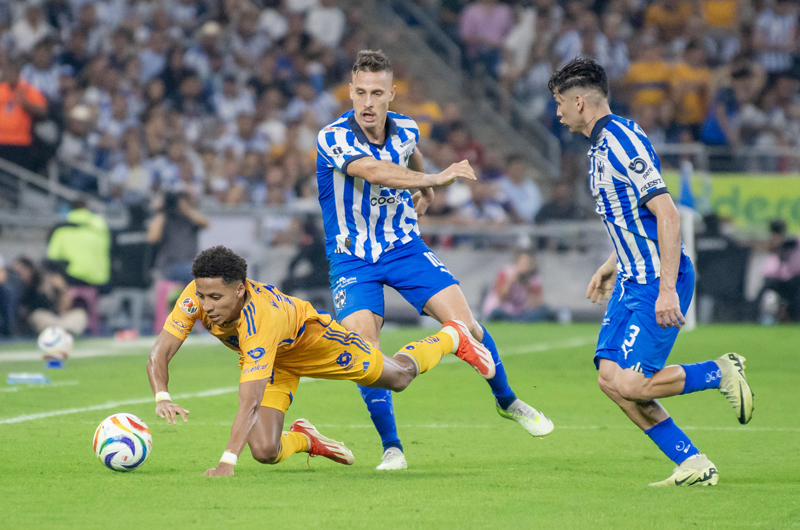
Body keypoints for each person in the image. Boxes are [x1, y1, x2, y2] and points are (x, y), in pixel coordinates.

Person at [316, 50, 553, 471]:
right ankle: (393, 448)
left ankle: (508, 401)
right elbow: (373, 171)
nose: (368, 103)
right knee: (364, 354)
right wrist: (434, 180)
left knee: (469, 327)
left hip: (404, 246)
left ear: (392, 94)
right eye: (361, 93)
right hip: (352, 258)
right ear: (350, 93)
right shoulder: (333, 136)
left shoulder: (406, 127)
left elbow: (409, 154)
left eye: (377, 93)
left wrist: (423, 190)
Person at [548, 57, 754, 487]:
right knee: (610, 379)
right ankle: (692, 462)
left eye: (560, 103)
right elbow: (630, 218)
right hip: (629, 277)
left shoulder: (622, 141)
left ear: (580, 102)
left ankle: (719, 371)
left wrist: (665, 291)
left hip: (658, 279)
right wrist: (610, 265)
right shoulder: (601, 145)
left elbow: (669, 215)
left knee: (635, 385)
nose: (558, 112)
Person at [146, 246, 495, 477]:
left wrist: (226, 462)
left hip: (316, 343)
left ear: (239, 289)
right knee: (266, 451)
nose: (205, 306)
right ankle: (306, 439)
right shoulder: (195, 297)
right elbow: (159, 353)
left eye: (215, 297)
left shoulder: (260, 319)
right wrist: (162, 396)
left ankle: (451, 336)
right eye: (202, 295)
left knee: (399, 377)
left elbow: (249, 402)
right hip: (272, 359)